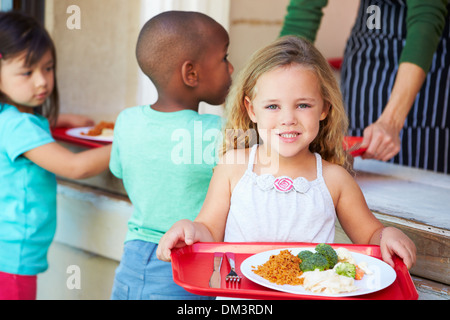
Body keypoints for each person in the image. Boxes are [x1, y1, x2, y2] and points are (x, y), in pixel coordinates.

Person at [157, 36, 416, 272]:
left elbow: (371, 235)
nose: (288, 119)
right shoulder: (234, 165)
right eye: (272, 106)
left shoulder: (335, 179)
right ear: (252, 110)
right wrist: (189, 228)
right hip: (243, 299)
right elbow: (209, 230)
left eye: (303, 105)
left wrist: (387, 235)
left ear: (324, 108)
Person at [109, 11, 234, 300]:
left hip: (131, 260)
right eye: (224, 58)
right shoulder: (219, 133)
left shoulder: (126, 121)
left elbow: (118, 170)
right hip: (184, 260)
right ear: (191, 74)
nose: (230, 69)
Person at [0, 11, 111, 300]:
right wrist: (128, 142)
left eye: (48, 68)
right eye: (27, 72)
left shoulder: (12, 117)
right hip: (13, 258)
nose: (42, 82)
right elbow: (74, 167)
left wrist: (61, 120)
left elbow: (28, 131)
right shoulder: (18, 126)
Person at [280, 0, 450, 174]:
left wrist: (391, 122)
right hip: (365, 54)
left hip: (425, 55)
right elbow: (304, 9)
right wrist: (276, 84)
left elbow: (426, 17)